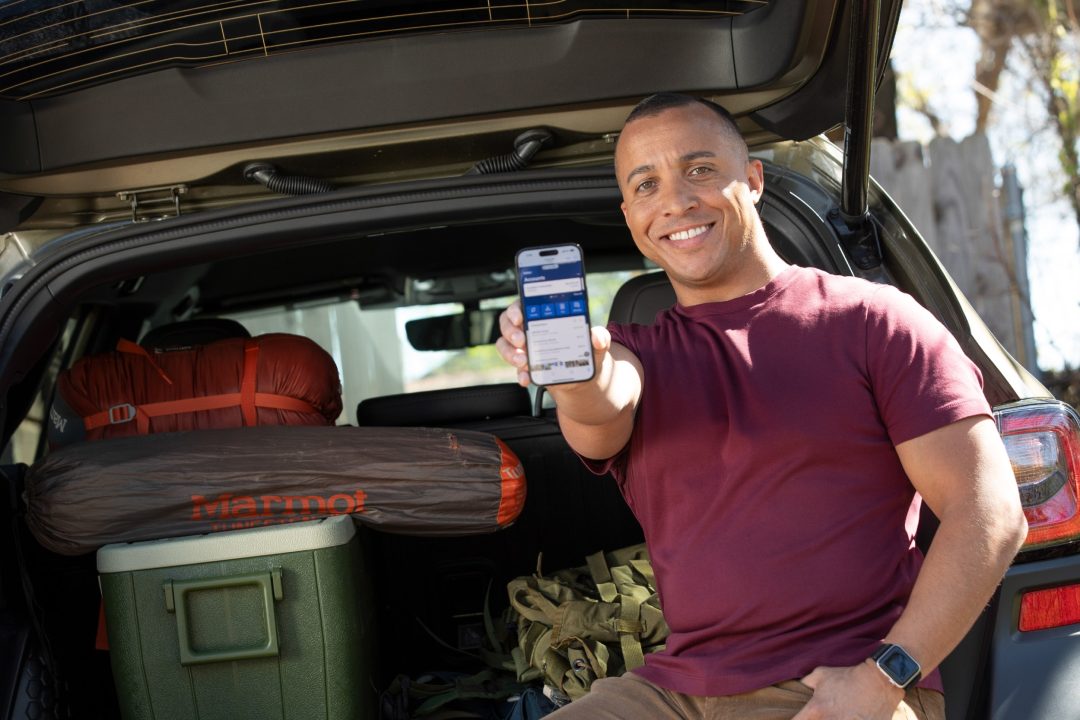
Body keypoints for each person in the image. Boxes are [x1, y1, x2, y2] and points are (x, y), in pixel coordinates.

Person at [495, 93, 1027, 720]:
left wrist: (887, 675)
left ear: (752, 179)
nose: (676, 201)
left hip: (835, 684)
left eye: (699, 170)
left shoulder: (872, 321)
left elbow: (989, 512)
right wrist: (571, 370)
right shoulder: (635, 352)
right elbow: (602, 411)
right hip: (672, 692)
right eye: (646, 185)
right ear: (630, 215)